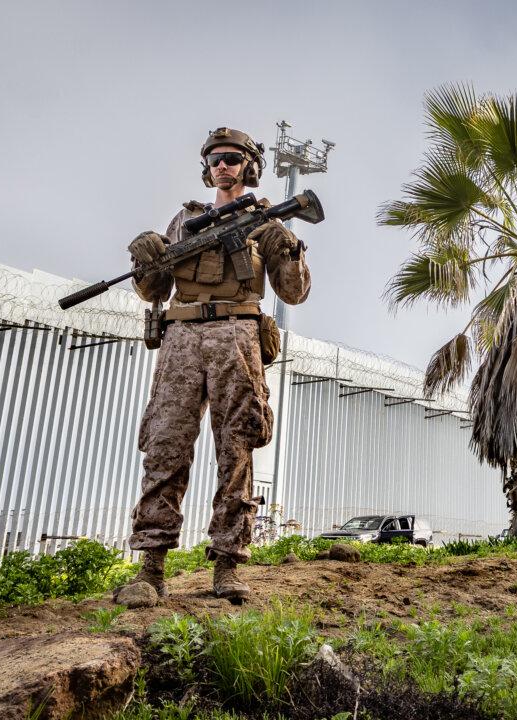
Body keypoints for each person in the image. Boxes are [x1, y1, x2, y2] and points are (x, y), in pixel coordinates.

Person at [115, 127, 312, 604]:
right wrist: (146, 262)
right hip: (181, 336)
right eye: (215, 159)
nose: (222, 165)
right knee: (166, 443)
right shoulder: (183, 221)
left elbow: (294, 293)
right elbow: (156, 289)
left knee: (237, 446)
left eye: (231, 158)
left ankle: (227, 566)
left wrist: (288, 246)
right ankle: (151, 570)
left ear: (248, 164)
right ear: (207, 169)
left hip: (238, 335)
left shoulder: (266, 220)